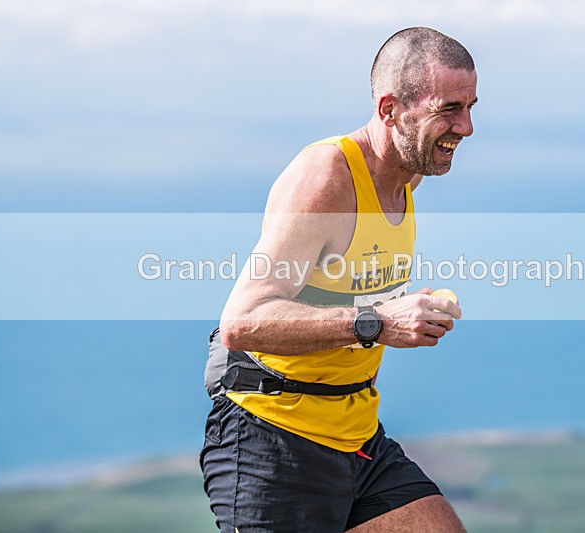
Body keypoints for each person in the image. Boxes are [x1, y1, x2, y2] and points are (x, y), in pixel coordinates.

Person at [200, 26, 477, 532]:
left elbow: (345, 279)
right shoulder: (327, 174)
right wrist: (375, 321)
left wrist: (400, 306)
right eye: (449, 109)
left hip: (357, 437)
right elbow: (242, 321)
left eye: (471, 107)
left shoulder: (407, 174)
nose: (467, 126)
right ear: (390, 108)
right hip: (272, 441)